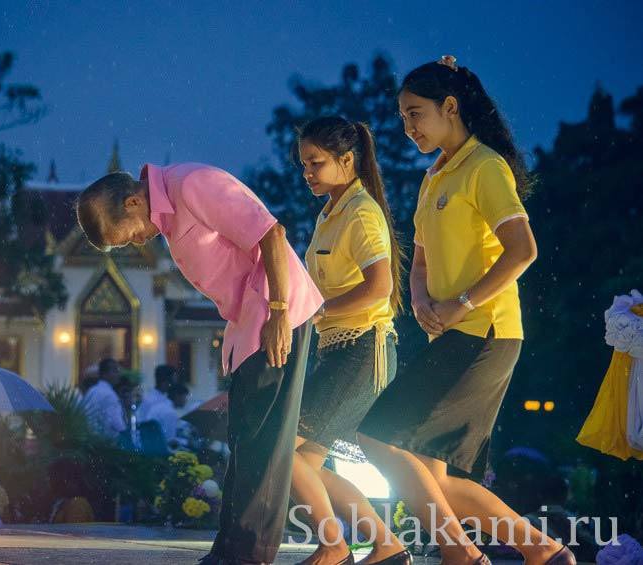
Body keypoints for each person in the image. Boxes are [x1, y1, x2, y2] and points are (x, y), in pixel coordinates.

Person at [356, 56, 573, 565]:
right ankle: (545, 554)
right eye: (403, 117)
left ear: (450, 107)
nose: (407, 127)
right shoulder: (434, 178)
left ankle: (462, 557)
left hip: (487, 334)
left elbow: (523, 250)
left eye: (415, 114)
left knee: (376, 433)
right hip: (453, 334)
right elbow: (422, 258)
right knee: (434, 481)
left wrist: (461, 304)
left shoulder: (485, 167)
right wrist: (421, 299)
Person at [76, 162, 322, 565]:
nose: (138, 241)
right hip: (248, 324)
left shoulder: (193, 185)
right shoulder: (169, 214)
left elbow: (271, 233)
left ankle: (250, 556)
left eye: (130, 236)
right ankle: (228, 550)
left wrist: (278, 313)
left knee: (265, 441)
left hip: (277, 315)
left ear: (135, 201)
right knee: (242, 439)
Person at [291, 116, 408, 565]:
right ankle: (386, 546)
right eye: (303, 164)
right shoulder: (330, 213)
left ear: (346, 160)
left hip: (363, 350)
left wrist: (317, 312)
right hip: (338, 352)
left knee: (284, 453)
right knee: (305, 462)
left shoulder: (360, 211)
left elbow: (378, 287)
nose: (307, 173)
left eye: (316, 163)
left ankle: (335, 546)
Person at [80, 358, 127, 439]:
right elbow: (116, 422)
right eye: (115, 371)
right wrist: (127, 436)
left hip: (91, 439)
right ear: (105, 374)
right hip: (107, 442)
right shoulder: (109, 394)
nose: (118, 375)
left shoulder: (92, 390)